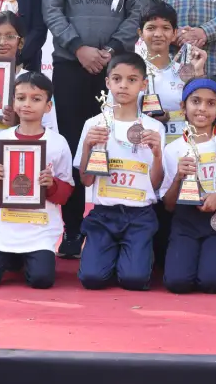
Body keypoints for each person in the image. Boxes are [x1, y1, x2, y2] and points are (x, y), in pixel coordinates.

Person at [42, 0, 148, 258]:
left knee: (118, 144)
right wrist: (78, 48)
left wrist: (112, 51)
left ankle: (119, 227)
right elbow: (52, 10)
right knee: (77, 147)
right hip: (70, 67)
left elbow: (138, 11)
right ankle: (73, 230)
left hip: (116, 71)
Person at [0, 12, 59, 262]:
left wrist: (17, 122)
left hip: (20, 178)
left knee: (16, 258)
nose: (2, 42)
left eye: (10, 36)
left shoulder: (33, 84)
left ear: (21, 42)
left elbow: (49, 135)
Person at [0, 73, 75, 289]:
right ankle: (13, 258)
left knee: (41, 280)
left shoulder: (57, 143)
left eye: (36, 99)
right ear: (13, 102)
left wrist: (52, 185)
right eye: (21, 98)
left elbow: (66, 193)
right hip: (3, 225)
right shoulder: (1, 140)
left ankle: (24, 258)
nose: (27, 104)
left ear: (48, 106)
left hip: (39, 227)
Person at [75, 52, 166, 290]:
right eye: (117, 79)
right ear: (108, 82)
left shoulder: (154, 128)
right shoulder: (93, 125)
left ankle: (137, 255)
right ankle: (103, 250)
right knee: (92, 279)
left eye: (132, 80)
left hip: (140, 215)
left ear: (143, 84)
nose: (123, 85)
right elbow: (86, 180)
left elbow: (156, 184)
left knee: (134, 280)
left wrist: (157, 155)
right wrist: (87, 147)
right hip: (104, 214)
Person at [160, 79, 216, 294]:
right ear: (183, 107)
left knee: (214, 282)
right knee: (177, 283)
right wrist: (178, 178)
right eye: (195, 101)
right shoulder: (173, 149)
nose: (202, 108)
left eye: (210, 103)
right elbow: (168, 205)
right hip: (185, 220)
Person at [134, 0, 207, 271]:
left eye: (166, 28)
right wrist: (146, 119)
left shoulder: (184, 70)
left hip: (179, 154)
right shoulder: (131, 70)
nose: (158, 34)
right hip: (141, 155)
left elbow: (201, 111)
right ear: (140, 33)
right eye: (151, 28)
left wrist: (199, 75)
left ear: (175, 33)